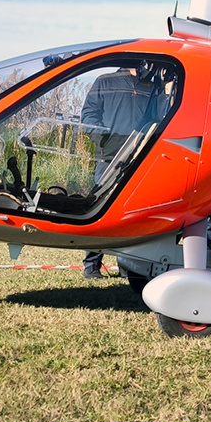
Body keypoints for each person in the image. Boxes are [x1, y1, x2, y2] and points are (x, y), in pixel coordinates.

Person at [80, 64, 154, 278]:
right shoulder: (106, 81)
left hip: (140, 159)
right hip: (109, 158)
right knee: (100, 209)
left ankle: (128, 266)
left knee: (134, 214)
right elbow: (88, 116)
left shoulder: (151, 86)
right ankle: (91, 264)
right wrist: (104, 140)